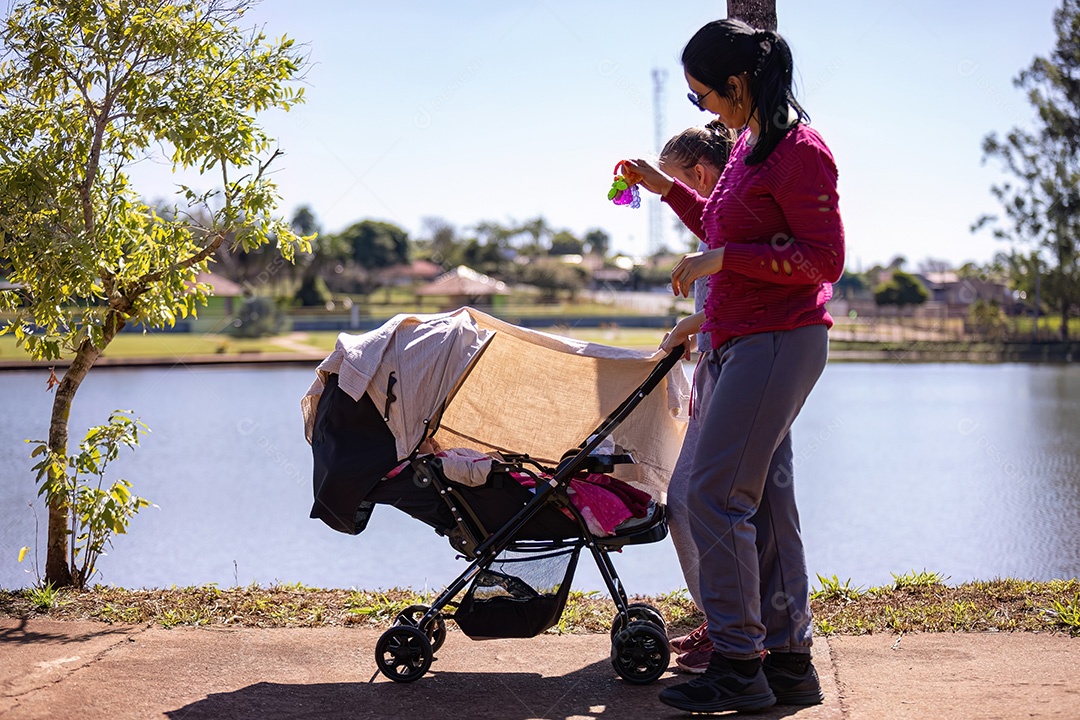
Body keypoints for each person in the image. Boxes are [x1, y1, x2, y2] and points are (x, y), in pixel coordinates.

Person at [622, 18, 844, 714]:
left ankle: (739, 665)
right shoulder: (750, 146)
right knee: (765, 507)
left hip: (776, 338)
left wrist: (724, 260)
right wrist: (665, 188)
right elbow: (725, 229)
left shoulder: (799, 151)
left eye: (703, 96)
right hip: (741, 338)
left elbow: (824, 259)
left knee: (709, 496)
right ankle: (789, 665)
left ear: (738, 82)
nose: (704, 109)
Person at [652, 122, 738, 675]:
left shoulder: (726, 227)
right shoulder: (717, 230)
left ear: (701, 176)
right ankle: (723, 622)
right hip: (715, 370)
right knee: (691, 498)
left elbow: (741, 301)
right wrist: (693, 333)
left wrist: (690, 325)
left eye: (676, 183)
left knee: (691, 498)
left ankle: (730, 630)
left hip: (732, 372)